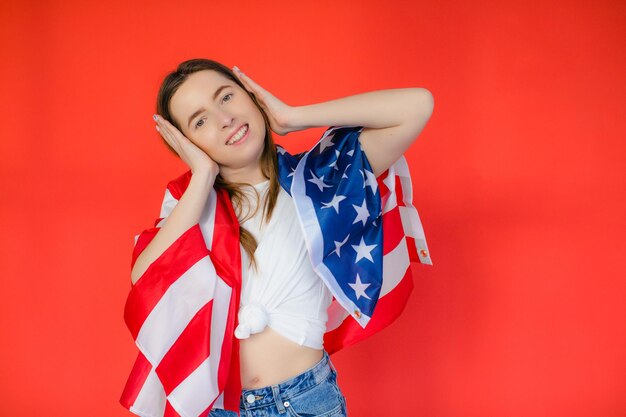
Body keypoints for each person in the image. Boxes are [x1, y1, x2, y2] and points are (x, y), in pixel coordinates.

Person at [121, 58, 434, 417]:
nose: (224, 119)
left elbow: (417, 105)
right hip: (221, 409)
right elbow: (145, 278)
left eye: (226, 97)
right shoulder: (191, 203)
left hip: (306, 401)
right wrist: (202, 173)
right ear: (185, 142)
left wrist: (291, 117)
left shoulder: (320, 179)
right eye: (200, 121)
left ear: (252, 95)